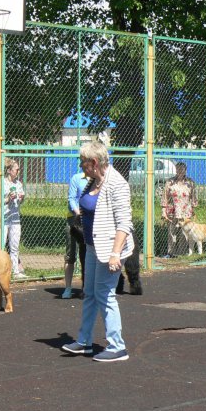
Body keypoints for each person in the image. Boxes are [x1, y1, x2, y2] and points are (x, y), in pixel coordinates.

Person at [61, 140, 133, 362]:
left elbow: (124, 224)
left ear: (93, 162)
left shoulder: (117, 184)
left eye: (82, 161)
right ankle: (84, 342)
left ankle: (117, 346)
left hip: (109, 250)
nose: (80, 165)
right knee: (90, 293)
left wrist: (115, 254)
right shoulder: (92, 181)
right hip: (92, 246)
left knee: (105, 294)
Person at [160, 161, 198, 257]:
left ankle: (181, 253)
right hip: (172, 211)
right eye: (178, 169)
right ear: (175, 170)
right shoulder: (170, 182)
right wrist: (163, 211)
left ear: (185, 170)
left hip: (186, 212)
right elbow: (165, 197)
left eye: (182, 169)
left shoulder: (190, 182)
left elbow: (194, 197)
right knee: (171, 233)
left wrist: (193, 209)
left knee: (184, 233)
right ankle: (171, 253)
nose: (180, 171)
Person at [61, 169, 89, 299]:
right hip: (75, 219)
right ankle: (68, 288)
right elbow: (72, 198)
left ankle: (87, 287)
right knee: (70, 254)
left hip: (90, 220)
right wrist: (78, 213)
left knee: (88, 255)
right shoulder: (77, 178)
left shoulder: (98, 179)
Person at [3, 158, 26, 277]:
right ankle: (1, 271)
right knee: (1, 245)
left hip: (15, 218)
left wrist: (21, 198)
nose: (18, 171)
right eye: (16, 169)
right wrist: (8, 199)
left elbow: (21, 200)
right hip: (3, 218)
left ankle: (15, 271)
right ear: (9, 170)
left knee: (14, 245)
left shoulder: (18, 183)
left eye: (18, 169)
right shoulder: (2, 183)